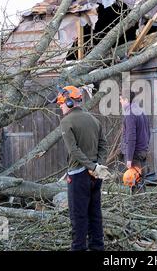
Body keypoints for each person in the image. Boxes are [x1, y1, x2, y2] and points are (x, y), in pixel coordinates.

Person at [57, 85, 110, 251]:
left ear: (69, 102)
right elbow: (103, 145)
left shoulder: (66, 121)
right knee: (95, 215)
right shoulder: (94, 119)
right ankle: (97, 248)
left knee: (78, 217)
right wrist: (97, 166)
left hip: (78, 176)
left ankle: (78, 248)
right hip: (95, 175)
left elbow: (73, 150)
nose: (60, 107)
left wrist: (92, 166)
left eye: (61, 103)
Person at [119, 91, 150, 193]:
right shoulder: (140, 110)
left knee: (134, 183)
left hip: (135, 154)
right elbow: (148, 131)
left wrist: (129, 158)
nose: (120, 102)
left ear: (126, 100)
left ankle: (137, 207)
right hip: (142, 151)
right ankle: (143, 205)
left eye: (121, 100)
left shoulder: (130, 113)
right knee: (141, 182)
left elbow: (131, 137)